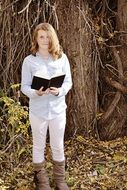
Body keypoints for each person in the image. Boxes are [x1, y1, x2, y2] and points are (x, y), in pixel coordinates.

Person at [21, 23, 72, 190]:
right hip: (38, 111)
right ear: (36, 38)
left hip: (58, 110)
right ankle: (42, 182)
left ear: (53, 38)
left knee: (57, 145)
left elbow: (68, 82)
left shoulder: (61, 57)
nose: (45, 40)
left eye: (48, 36)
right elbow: (25, 87)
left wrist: (59, 91)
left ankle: (60, 181)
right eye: (41, 36)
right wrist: (37, 93)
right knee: (39, 145)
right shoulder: (29, 61)